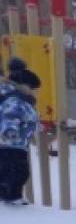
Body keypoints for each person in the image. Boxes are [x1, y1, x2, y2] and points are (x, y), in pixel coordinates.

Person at [0, 58, 42, 205]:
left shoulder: (23, 101)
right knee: (14, 172)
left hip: (18, 144)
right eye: (31, 87)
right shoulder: (15, 100)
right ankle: (10, 197)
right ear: (24, 85)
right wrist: (10, 131)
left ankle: (11, 196)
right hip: (9, 143)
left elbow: (28, 119)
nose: (33, 91)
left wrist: (37, 126)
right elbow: (9, 115)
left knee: (18, 172)